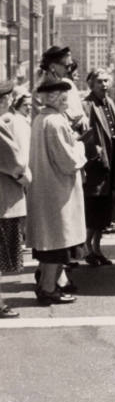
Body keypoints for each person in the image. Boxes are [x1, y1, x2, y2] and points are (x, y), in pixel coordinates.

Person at [27, 79, 86, 306]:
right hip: (57, 192)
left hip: (45, 188)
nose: (67, 102)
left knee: (51, 242)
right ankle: (49, 288)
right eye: (64, 98)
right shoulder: (55, 123)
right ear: (56, 99)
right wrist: (80, 148)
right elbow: (68, 161)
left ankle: (47, 285)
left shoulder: (39, 120)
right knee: (57, 244)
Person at [82, 68, 115, 266]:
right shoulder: (87, 105)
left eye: (105, 81)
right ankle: (86, 248)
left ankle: (97, 248)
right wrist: (97, 154)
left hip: (112, 167)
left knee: (104, 211)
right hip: (97, 169)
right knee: (94, 210)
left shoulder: (109, 103)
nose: (104, 85)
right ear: (91, 85)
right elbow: (85, 137)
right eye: (100, 82)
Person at [0, 81, 31, 318]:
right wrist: (25, 178)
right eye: (7, 98)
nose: (9, 102)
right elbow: (16, 163)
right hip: (4, 201)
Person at [35, 45, 88, 134]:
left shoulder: (69, 85)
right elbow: (46, 123)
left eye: (70, 66)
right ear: (52, 67)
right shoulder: (39, 92)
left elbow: (81, 114)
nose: (70, 70)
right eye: (66, 66)